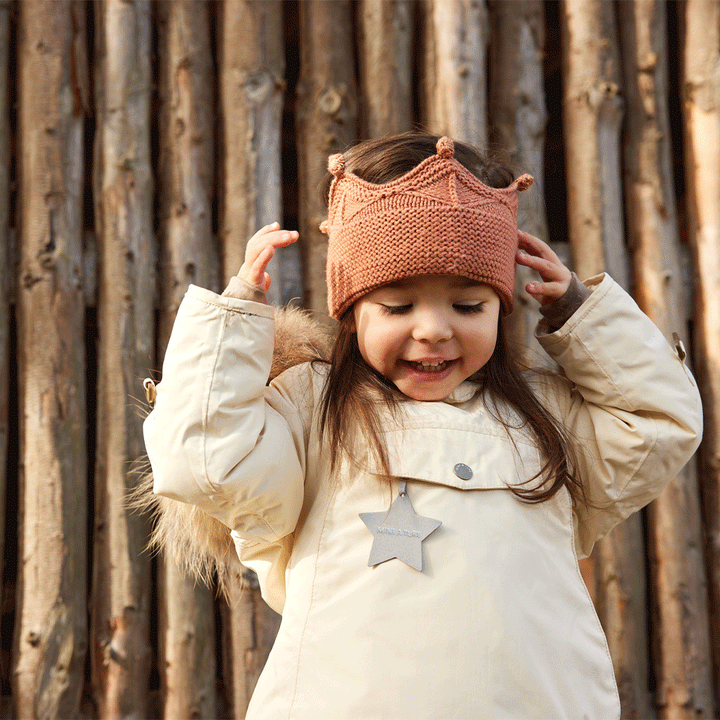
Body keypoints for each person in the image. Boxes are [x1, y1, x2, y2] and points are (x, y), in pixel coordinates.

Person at [143, 134, 702, 719]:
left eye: (467, 307)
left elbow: (660, 422)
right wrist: (235, 317)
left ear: (501, 309)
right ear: (352, 313)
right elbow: (205, 460)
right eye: (397, 307)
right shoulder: (310, 409)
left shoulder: (546, 418)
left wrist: (584, 314)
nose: (434, 329)